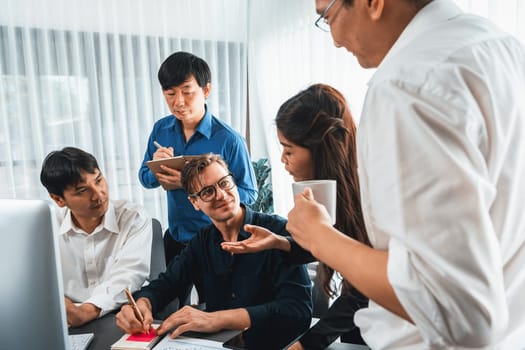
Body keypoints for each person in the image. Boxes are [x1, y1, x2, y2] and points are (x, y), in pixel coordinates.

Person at [286, 0, 525, 348]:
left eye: (327, 15)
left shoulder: (406, 84)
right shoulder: (504, 49)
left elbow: (457, 310)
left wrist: (320, 235)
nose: (334, 40)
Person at [222, 84, 369, 349]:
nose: (282, 159)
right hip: (363, 325)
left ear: (322, 148)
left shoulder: (368, 194)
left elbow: (362, 291)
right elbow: (335, 249)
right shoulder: (335, 189)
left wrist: (307, 344)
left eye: (289, 150)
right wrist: (279, 242)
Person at [118, 154, 312, 349]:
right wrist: (143, 304)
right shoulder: (201, 242)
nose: (220, 195)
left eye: (224, 183)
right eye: (208, 192)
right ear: (194, 203)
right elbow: (166, 284)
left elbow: (298, 311)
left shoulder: (277, 231)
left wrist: (217, 319)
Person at [138, 51, 257, 268]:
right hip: (176, 237)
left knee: (215, 302)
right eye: (170, 93)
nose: (178, 102)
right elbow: (144, 179)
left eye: (187, 92)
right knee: (171, 300)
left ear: (206, 90)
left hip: (217, 240)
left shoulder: (229, 139)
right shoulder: (161, 129)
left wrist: (192, 184)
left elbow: (249, 194)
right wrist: (156, 167)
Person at [40, 147, 152, 327]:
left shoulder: (133, 217)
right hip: (65, 322)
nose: (98, 194)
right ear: (58, 199)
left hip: (121, 317)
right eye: (82, 190)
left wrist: (85, 311)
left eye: (99, 180)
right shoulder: (45, 226)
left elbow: (128, 276)